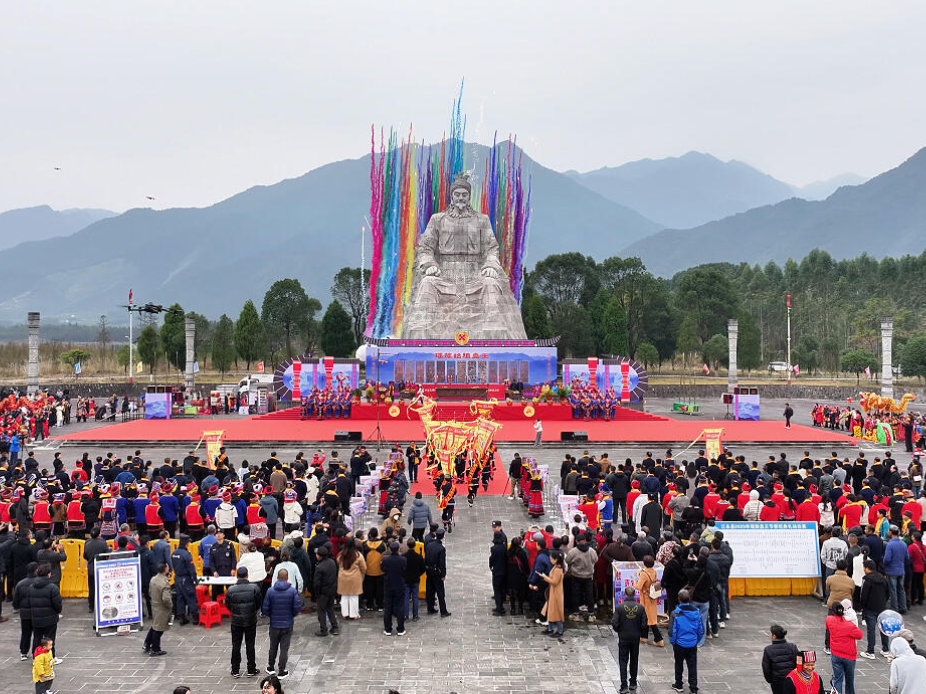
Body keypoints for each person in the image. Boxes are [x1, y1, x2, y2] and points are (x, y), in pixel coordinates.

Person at [262, 567, 301, 679]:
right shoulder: (292, 591)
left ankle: (270, 667)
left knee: (273, 647)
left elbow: (265, 608)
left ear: (277, 577)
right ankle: (282, 670)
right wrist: (291, 616)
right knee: (284, 648)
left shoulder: (270, 591)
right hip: (287, 624)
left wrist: (272, 616)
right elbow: (297, 607)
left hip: (274, 624)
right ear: (288, 578)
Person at [225, 566, 262, 678]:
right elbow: (258, 603)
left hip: (236, 621)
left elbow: (228, 605)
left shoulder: (231, 590)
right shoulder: (254, 588)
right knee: (250, 645)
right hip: (250, 620)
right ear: (247, 575)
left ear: (237, 576)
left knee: (236, 645)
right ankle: (251, 669)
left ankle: (235, 670)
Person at [611, 586, 645, 694]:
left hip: (624, 637)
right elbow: (644, 624)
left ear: (625, 594)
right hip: (635, 637)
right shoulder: (640, 607)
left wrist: (619, 631)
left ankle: (624, 685)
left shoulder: (620, 607)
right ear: (634, 594)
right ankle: (633, 683)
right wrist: (639, 632)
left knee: (623, 661)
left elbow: (614, 623)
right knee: (634, 659)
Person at [669, 589, 702, 693]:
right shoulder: (696, 612)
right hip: (692, 644)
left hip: (679, 644)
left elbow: (672, 631)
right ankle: (693, 687)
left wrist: (673, 642)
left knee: (678, 664)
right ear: (689, 599)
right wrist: (696, 640)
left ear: (678, 599)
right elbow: (700, 630)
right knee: (692, 665)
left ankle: (678, 684)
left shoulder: (675, 614)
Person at [825, 601, 862, 694]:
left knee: (837, 679)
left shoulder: (829, 620)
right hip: (849, 656)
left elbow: (828, 626)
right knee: (849, 681)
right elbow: (860, 635)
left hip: (836, 654)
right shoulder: (849, 625)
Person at [28, 564, 62, 663]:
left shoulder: (31, 587)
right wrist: (57, 612)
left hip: (36, 618)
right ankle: (51, 658)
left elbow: (29, 602)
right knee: (50, 638)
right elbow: (58, 604)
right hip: (50, 618)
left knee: (37, 638)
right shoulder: (53, 587)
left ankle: (36, 658)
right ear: (48, 574)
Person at [858, 558, 890, 658]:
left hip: (870, 609)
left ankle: (870, 651)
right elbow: (888, 593)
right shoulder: (883, 578)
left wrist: (862, 607)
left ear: (867, 568)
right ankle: (885, 649)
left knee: (871, 630)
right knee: (883, 629)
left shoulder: (867, 580)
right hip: (882, 608)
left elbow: (863, 595)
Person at [635, 554, 664, 646]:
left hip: (645, 598)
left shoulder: (643, 574)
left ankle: (659, 638)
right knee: (647, 616)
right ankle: (644, 636)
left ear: (644, 563)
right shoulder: (654, 571)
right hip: (653, 597)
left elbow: (639, 586)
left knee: (650, 619)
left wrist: (634, 583)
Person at [762, 624, 800, 694]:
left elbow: (766, 668)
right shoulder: (792, 646)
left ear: (774, 636)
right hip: (792, 679)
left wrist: (771, 680)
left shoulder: (768, 649)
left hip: (777, 681)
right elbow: (798, 663)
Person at [144, 562, 172, 657]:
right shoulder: (165, 583)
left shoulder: (153, 579)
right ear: (165, 570)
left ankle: (147, 643)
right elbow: (166, 599)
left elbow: (150, 592)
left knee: (155, 625)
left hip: (154, 605)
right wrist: (170, 605)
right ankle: (155, 648)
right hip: (162, 608)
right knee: (159, 629)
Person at [170, 534, 198, 625]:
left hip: (177, 578)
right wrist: (195, 579)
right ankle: (195, 618)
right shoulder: (186, 554)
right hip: (186, 579)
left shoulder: (174, 553)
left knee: (180, 598)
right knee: (191, 597)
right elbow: (191, 569)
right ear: (186, 543)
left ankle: (182, 617)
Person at [336, 539, 366, 620]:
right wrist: (362, 576)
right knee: (354, 597)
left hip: (343, 577)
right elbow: (364, 568)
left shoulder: (340, 555)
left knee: (344, 596)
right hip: (354, 578)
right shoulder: (358, 555)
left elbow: (338, 563)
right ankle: (354, 614)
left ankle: (345, 613)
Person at [381, 541, 407, 635]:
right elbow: (404, 570)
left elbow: (383, 569)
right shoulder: (403, 559)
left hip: (388, 585)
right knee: (400, 606)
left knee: (388, 607)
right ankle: (400, 628)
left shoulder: (385, 560)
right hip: (399, 584)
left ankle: (388, 628)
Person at [312, 546, 339, 637]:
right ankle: (334, 627)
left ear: (320, 556)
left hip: (323, 593)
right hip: (332, 590)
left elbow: (316, 583)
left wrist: (317, 594)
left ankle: (323, 629)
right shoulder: (332, 562)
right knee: (330, 609)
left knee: (321, 610)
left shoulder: (319, 567)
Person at [13, 562, 38, 661]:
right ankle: (36, 652)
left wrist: (18, 607)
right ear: (36, 570)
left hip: (24, 613)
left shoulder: (20, 583)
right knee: (37, 633)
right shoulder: (38, 583)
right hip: (36, 612)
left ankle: (23, 652)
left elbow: (16, 600)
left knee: (25, 633)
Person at [425, 528, 450, 617]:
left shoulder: (429, 545)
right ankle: (443, 611)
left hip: (428, 570)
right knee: (440, 591)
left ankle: (430, 608)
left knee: (430, 590)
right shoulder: (441, 548)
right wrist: (443, 574)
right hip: (436, 572)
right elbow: (442, 563)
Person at [538, 551, 565, 636]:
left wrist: (544, 577)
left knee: (556, 611)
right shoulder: (556, 567)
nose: (550, 560)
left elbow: (554, 582)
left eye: (551, 559)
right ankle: (550, 628)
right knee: (551, 610)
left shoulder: (558, 569)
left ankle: (560, 630)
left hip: (556, 593)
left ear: (556, 559)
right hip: (553, 592)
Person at [883, 526, 908, 613]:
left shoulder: (890, 544)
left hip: (891, 570)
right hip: (901, 569)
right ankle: (903, 607)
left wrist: (884, 565)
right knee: (901, 589)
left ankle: (894, 608)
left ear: (890, 532)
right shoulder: (903, 544)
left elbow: (887, 559)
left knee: (893, 590)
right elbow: (907, 557)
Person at [489, 530, 508, 616]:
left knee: (497, 590)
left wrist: (491, 566)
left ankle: (499, 609)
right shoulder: (504, 548)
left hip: (497, 572)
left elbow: (492, 560)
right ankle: (500, 606)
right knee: (502, 589)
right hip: (504, 571)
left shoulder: (494, 549)